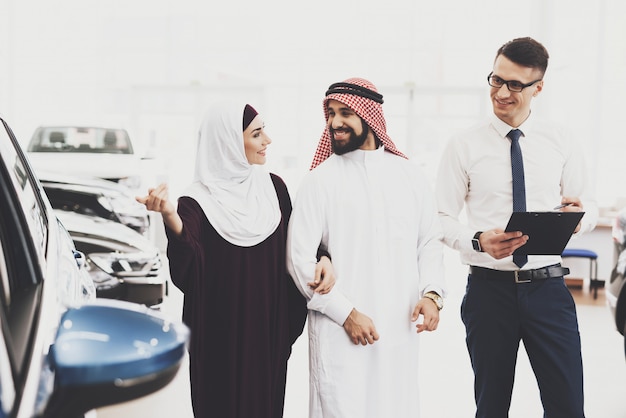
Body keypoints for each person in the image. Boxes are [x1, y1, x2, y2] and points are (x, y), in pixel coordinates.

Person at [136, 101, 335, 418]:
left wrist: (322, 257)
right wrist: (170, 215)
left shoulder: (274, 190)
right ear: (228, 142)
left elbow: (300, 241)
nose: (267, 140)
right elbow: (189, 266)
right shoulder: (196, 201)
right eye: (257, 134)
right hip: (219, 340)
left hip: (266, 335)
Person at [436, 37, 598, 418]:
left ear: (538, 87)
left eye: (515, 85)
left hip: (548, 290)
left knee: (568, 407)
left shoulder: (560, 139)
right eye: (496, 80)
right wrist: (477, 240)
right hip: (488, 294)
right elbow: (439, 219)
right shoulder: (463, 145)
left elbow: (586, 205)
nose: (501, 92)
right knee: (490, 407)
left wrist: (579, 218)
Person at [286, 77, 446, 418]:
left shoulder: (410, 177)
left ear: (369, 116)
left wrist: (432, 295)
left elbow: (429, 241)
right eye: (330, 113)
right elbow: (298, 260)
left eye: (345, 113)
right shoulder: (319, 181)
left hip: (399, 329)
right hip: (340, 332)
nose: (335, 122)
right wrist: (347, 314)